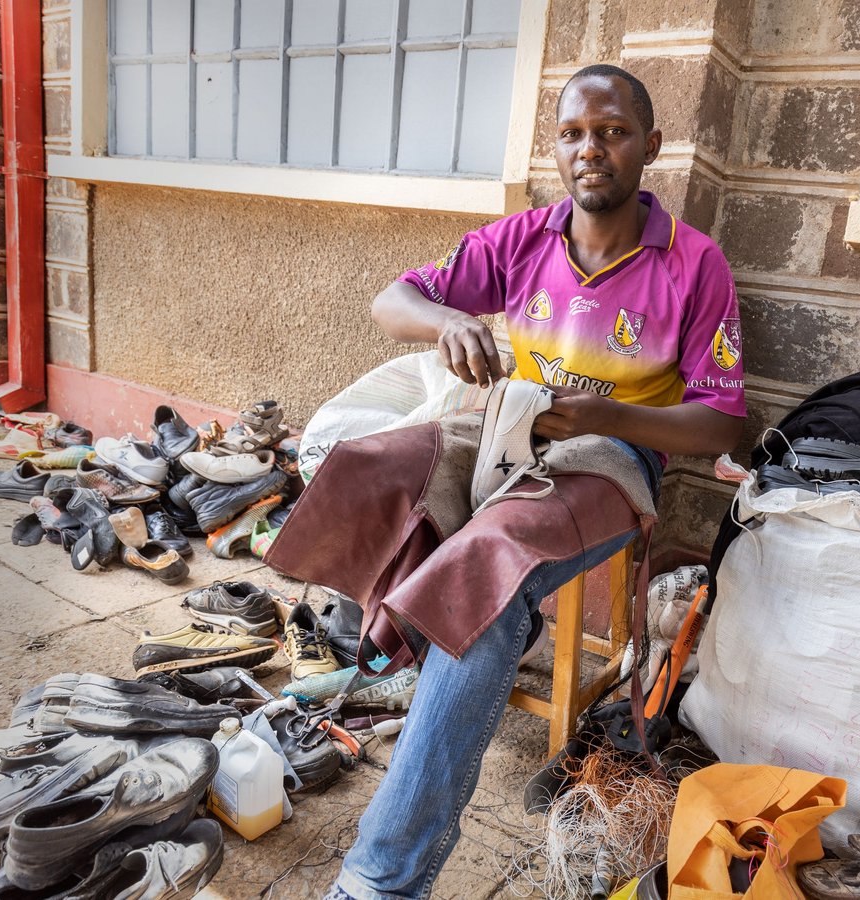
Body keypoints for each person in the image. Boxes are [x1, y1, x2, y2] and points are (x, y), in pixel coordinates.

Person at [314, 64, 746, 899]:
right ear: (556, 147)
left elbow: (723, 422)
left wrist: (607, 418)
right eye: (575, 134)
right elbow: (391, 300)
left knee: (493, 574)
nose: (593, 150)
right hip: (514, 430)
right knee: (370, 467)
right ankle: (408, 628)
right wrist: (449, 321)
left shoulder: (695, 265)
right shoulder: (521, 240)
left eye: (614, 131)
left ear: (650, 146)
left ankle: (380, 881)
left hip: (613, 459)